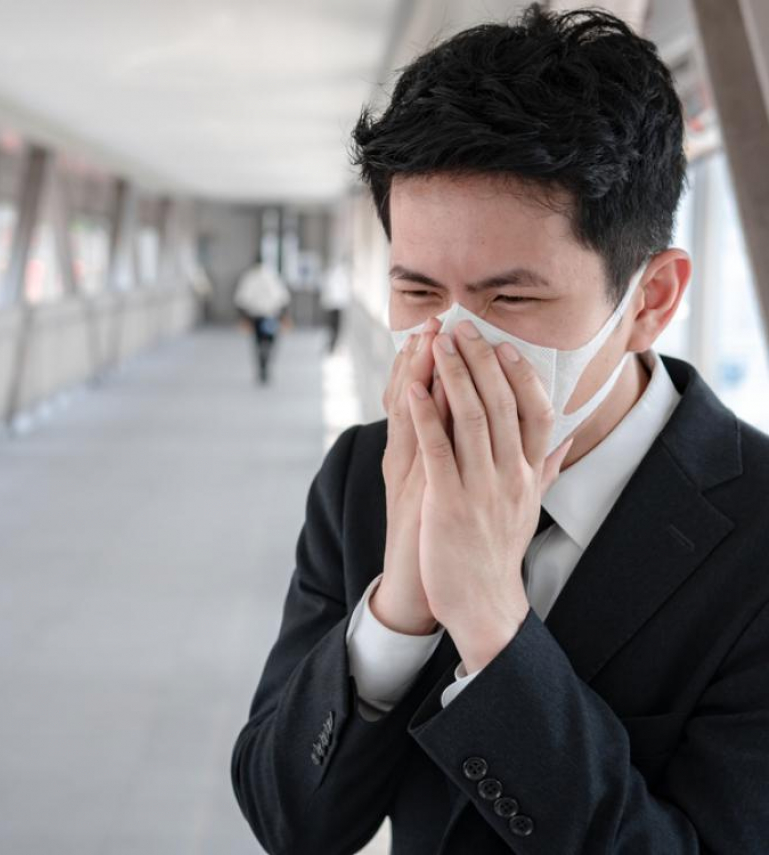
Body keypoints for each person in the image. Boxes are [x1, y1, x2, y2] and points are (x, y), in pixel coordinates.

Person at [231, 5, 769, 854]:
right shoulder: (362, 472)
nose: (451, 342)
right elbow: (289, 820)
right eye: (416, 292)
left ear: (652, 300)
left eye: (510, 298)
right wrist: (398, 611)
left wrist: (491, 624)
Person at [233, 259, 293, 385]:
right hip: (271, 315)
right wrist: (283, 314)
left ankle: (261, 365)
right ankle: (266, 363)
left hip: (255, 315)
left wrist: (244, 315)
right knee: (270, 341)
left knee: (258, 342)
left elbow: (241, 298)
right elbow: (283, 297)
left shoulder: (249, 277)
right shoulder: (273, 276)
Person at [320, 255, 352, 355]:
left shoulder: (334, 273)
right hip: (336, 304)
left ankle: (332, 346)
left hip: (334, 304)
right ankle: (332, 346)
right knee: (335, 327)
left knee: (333, 327)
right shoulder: (339, 274)